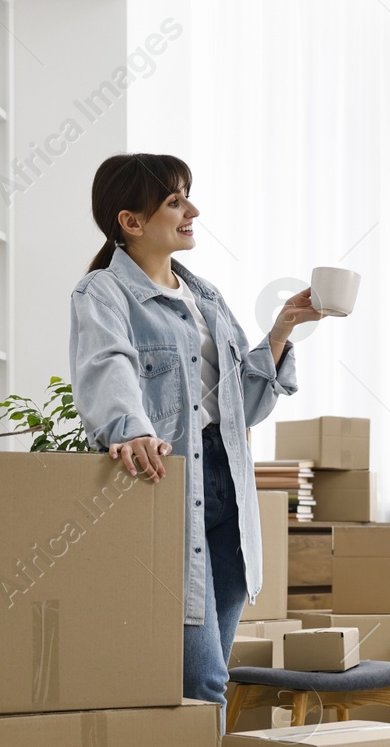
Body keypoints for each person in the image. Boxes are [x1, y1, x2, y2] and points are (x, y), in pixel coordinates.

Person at [68, 153, 322, 702]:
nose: (193, 210)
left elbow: (246, 406)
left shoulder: (205, 297)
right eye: (175, 201)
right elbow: (106, 366)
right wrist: (129, 428)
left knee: (211, 676)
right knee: (201, 678)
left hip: (229, 486)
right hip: (169, 486)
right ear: (131, 222)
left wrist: (280, 330)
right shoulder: (103, 295)